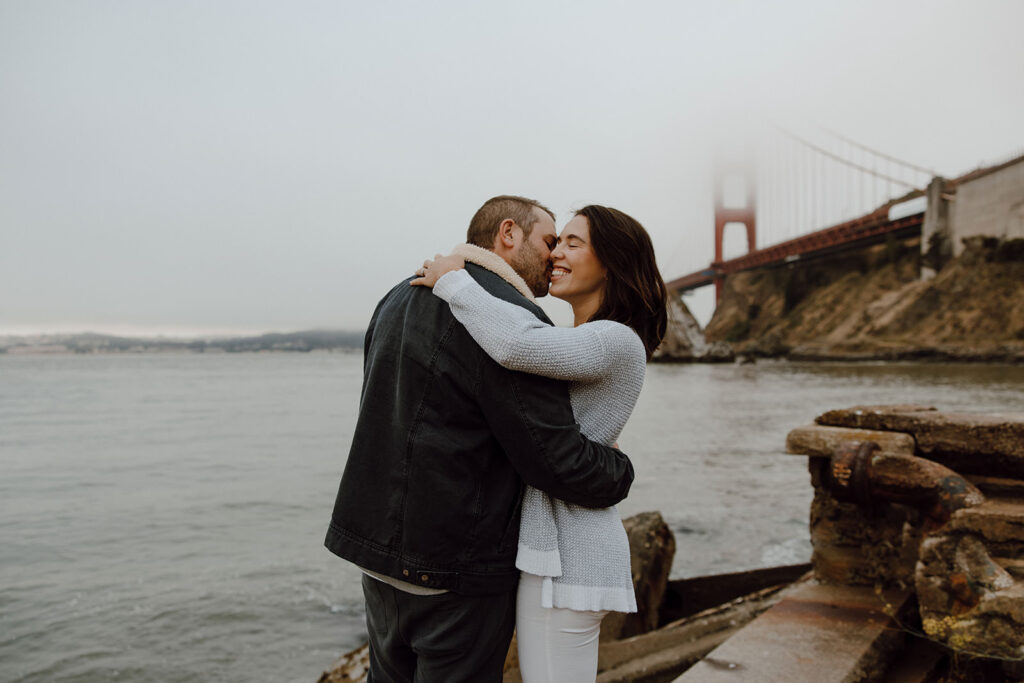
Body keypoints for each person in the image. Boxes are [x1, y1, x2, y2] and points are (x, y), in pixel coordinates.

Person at [324, 195, 635, 683]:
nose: (555, 255)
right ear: (508, 234)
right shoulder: (506, 315)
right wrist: (620, 470)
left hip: (377, 559)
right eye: (551, 240)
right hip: (455, 572)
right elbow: (556, 460)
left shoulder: (397, 296)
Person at [411, 204, 667, 682]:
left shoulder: (615, 339)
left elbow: (516, 345)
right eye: (556, 242)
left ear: (611, 261)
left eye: (573, 243)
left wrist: (453, 281)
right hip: (559, 550)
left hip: (568, 556)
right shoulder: (586, 338)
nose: (556, 255)